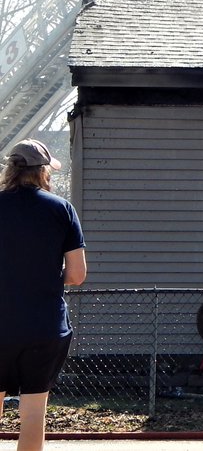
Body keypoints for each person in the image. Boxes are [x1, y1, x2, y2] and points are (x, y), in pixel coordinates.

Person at [0, 139, 87, 451]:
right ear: (43, 172)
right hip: (44, 326)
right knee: (33, 413)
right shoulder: (61, 210)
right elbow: (77, 275)